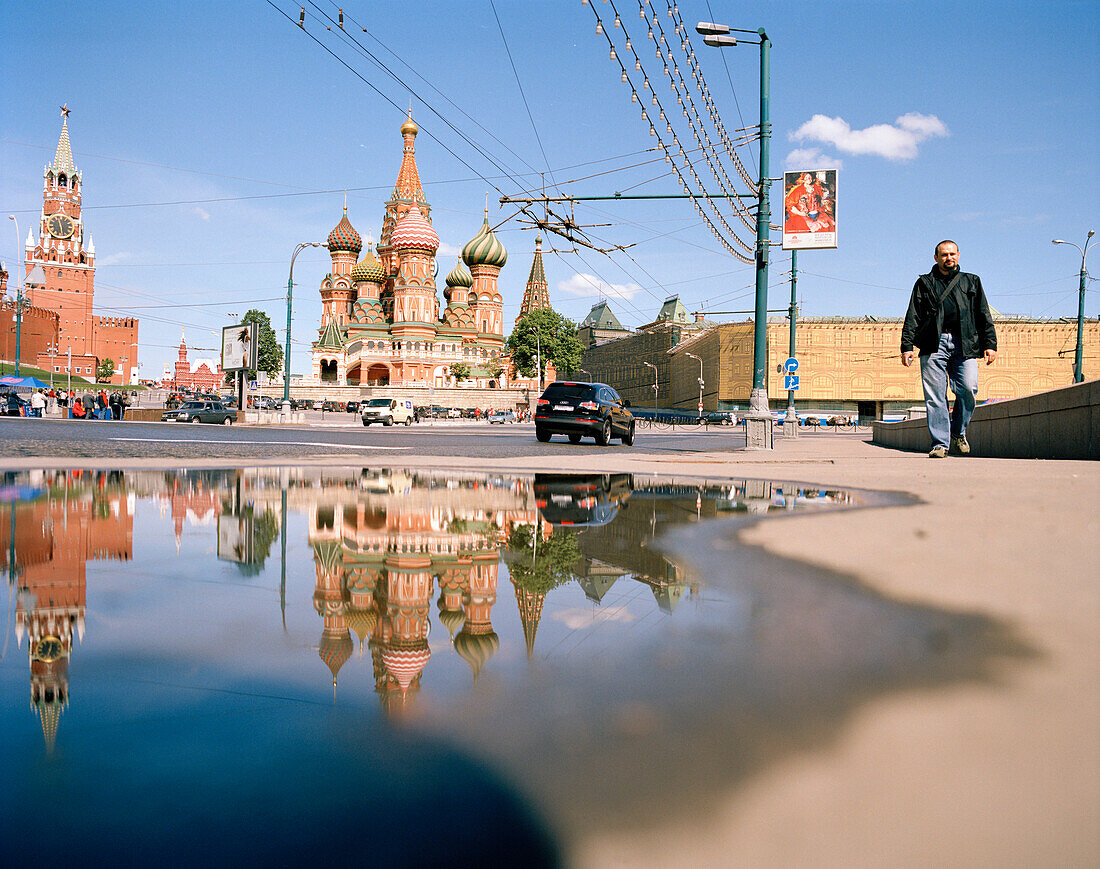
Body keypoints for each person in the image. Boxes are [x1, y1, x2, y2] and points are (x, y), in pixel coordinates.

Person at [901, 240, 997, 457]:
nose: (949, 258)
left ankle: (958, 432)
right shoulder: (924, 283)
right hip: (933, 343)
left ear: (959, 255)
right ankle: (940, 444)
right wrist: (907, 346)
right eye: (944, 255)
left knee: (969, 388)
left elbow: (983, 314)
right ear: (936, 258)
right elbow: (912, 315)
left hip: (965, 343)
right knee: (935, 396)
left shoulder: (971, 281)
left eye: (952, 254)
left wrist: (990, 344)